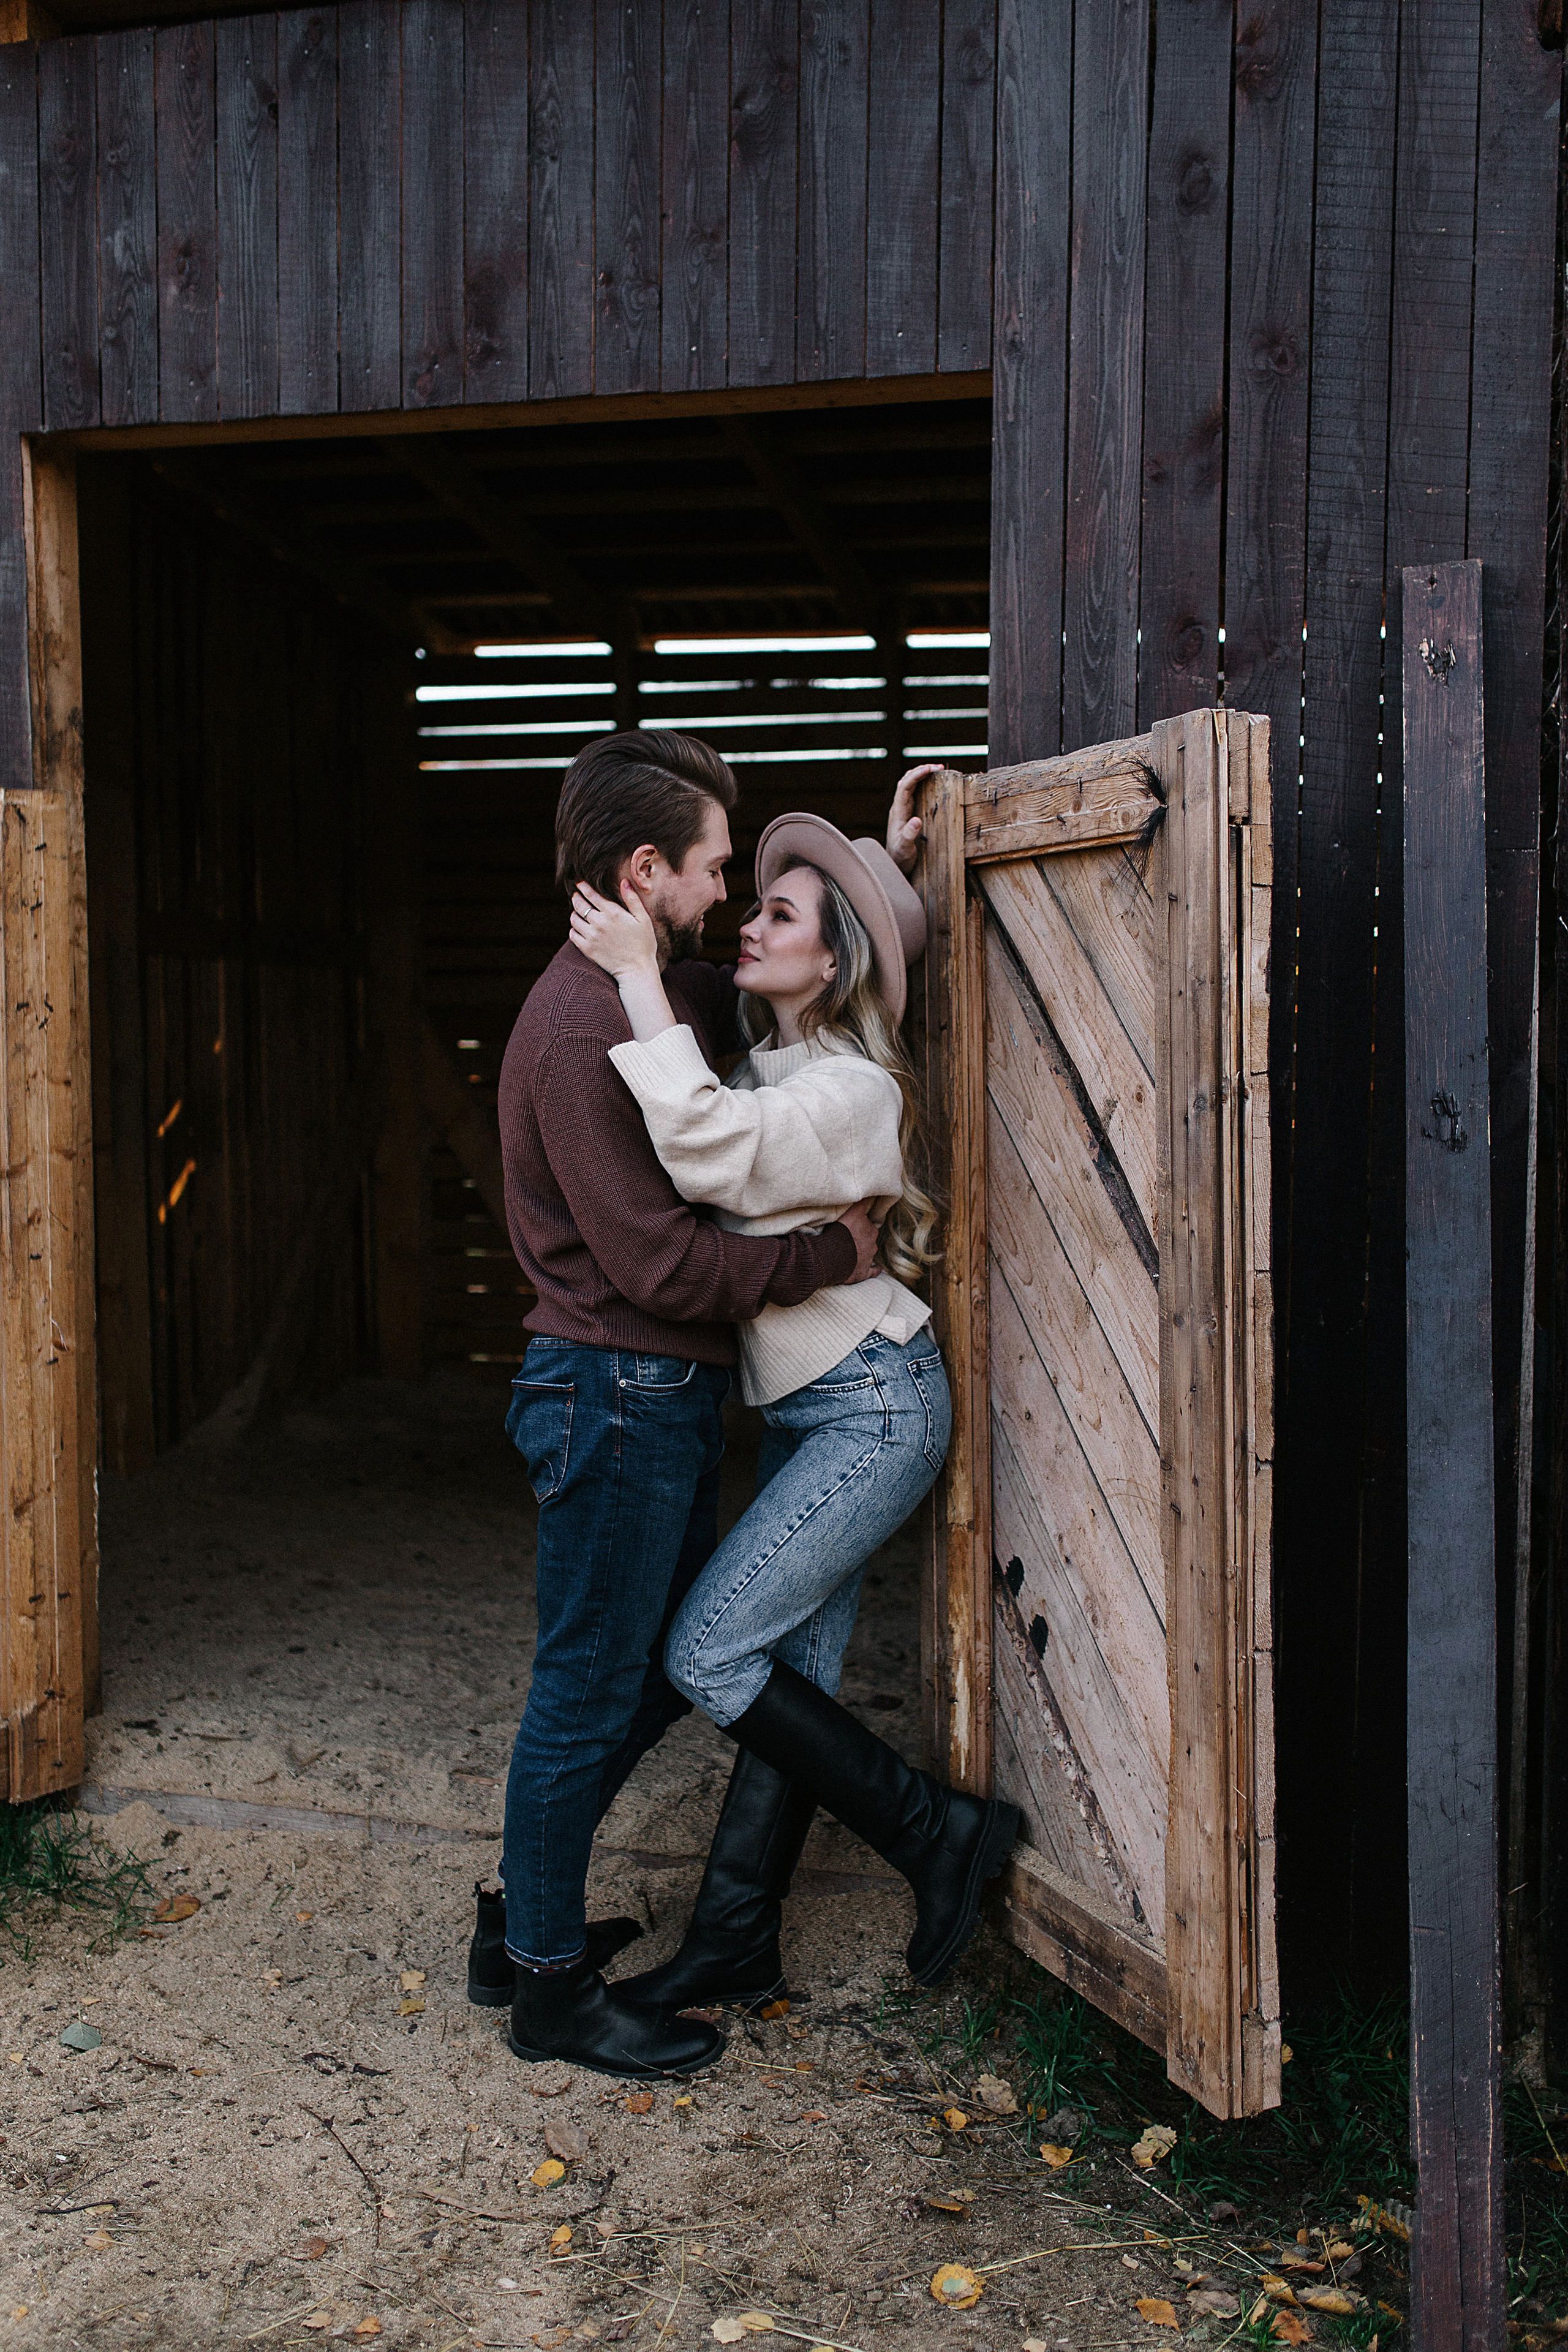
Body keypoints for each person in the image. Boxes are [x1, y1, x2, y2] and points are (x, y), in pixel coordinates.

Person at [473, 731, 901, 2083]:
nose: (725, 897)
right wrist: (833, 1255)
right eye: (714, 870)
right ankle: (544, 1990)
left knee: (648, 1677)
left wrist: (897, 861)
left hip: (642, 1391)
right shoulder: (582, 1027)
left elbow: (796, 965)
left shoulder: (649, 993)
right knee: (588, 1693)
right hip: (614, 1386)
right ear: (645, 869)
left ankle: (519, 1921)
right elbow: (664, 1264)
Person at [566, 809, 1019, 2018]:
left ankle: (937, 1834)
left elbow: (709, 1154)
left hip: (872, 1414)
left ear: (833, 963)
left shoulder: (853, 1092)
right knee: (786, 1687)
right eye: (755, 899)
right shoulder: (776, 1064)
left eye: (780, 914)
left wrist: (632, 974)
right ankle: (733, 1942)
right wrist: (893, 854)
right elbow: (731, 1109)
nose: (744, 923)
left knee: (707, 1653)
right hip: (819, 1418)